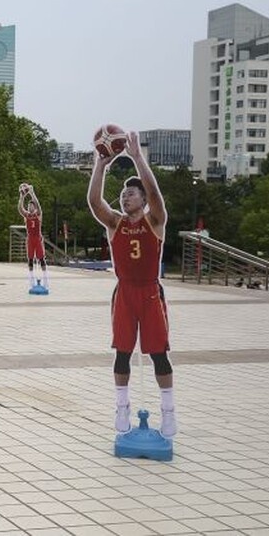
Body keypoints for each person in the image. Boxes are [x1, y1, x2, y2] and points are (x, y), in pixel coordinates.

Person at [87, 130, 176, 439]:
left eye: (131, 194)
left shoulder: (155, 220)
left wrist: (138, 158)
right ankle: (121, 406)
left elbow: (155, 195)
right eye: (123, 195)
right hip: (124, 293)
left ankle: (168, 411)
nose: (126, 197)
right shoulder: (116, 223)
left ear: (142, 200)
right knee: (122, 353)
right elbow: (94, 201)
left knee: (159, 354)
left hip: (151, 292)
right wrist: (101, 165)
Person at [18, 183, 48, 289]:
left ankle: (45, 279)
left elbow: (39, 206)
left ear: (34, 207)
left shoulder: (38, 214)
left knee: (41, 259)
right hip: (30, 239)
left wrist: (32, 193)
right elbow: (20, 208)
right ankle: (31, 280)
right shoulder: (27, 215)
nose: (29, 207)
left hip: (37, 238)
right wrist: (22, 197)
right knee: (30, 259)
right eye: (28, 206)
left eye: (31, 206)